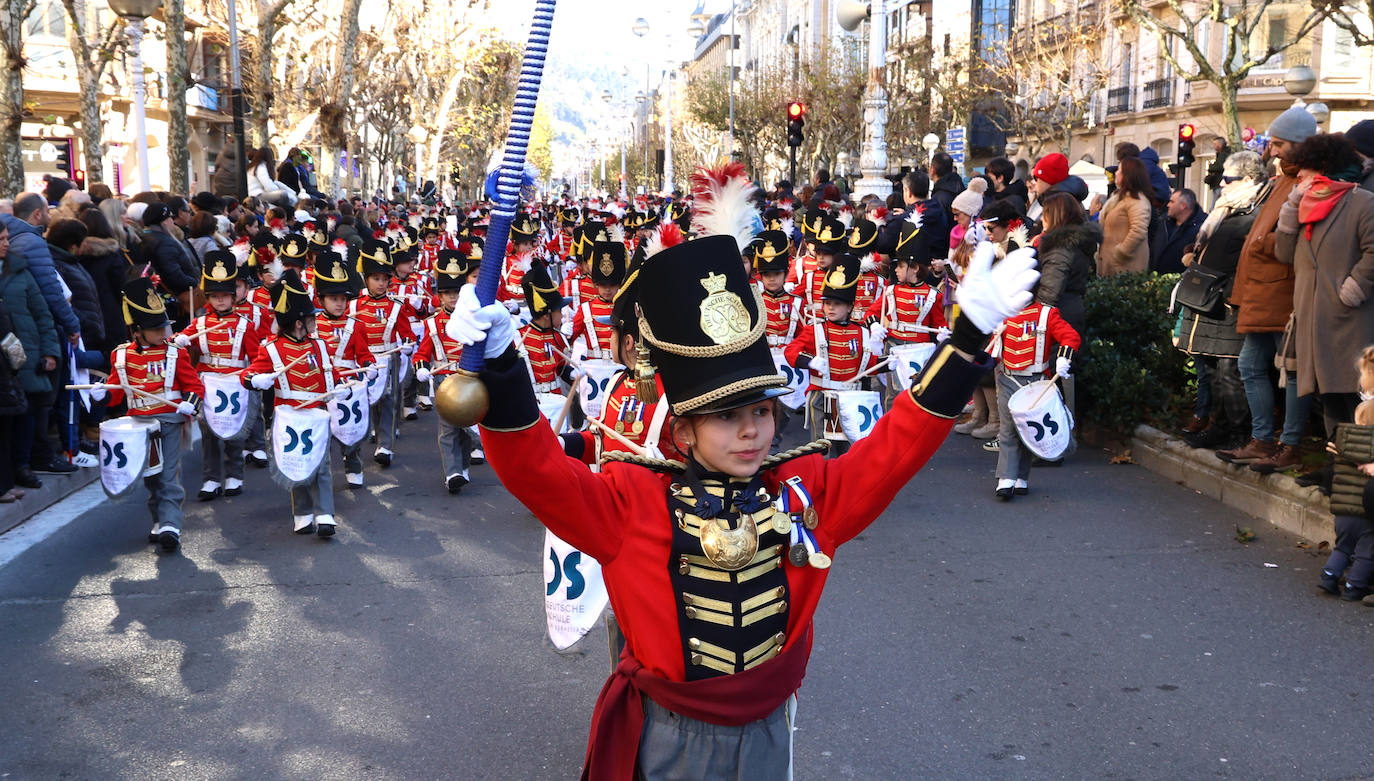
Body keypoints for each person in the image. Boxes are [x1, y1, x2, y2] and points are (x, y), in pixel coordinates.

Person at [444, 164, 1037, 777]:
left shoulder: (807, 495)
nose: (753, 429)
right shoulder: (630, 504)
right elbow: (537, 472)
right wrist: (504, 369)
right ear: (683, 432)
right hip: (670, 741)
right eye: (727, 416)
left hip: (767, 737)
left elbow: (895, 448)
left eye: (761, 408)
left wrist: (965, 341)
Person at [1222, 106, 1318, 468]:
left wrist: (1262, 242)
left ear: (1299, 144)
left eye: (1279, 143)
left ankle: (1288, 446)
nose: (1272, 150)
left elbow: (1297, 240)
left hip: (1285, 292)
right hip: (1265, 290)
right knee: (1251, 364)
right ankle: (1263, 441)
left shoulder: (1308, 181)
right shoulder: (1284, 180)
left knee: (1291, 370)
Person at [92, 279, 205, 552]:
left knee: (167, 475)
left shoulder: (176, 353)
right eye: (156, 329)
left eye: (163, 326)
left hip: (169, 421)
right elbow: (117, 395)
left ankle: (170, 525)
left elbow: (194, 386)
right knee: (152, 477)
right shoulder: (121, 356)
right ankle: (160, 521)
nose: (164, 332)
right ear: (139, 331)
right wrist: (103, 394)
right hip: (139, 425)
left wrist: (191, 403)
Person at [1275, 132, 1374, 442]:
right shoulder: (1306, 206)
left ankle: (1353, 473)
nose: (1299, 175)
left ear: (1324, 168)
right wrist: (1291, 208)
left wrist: (1352, 289)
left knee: (1353, 398)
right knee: (1328, 396)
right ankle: (1335, 465)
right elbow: (1284, 253)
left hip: (1348, 319)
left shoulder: (1363, 202)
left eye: (1306, 168)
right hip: (1313, 316)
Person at [1175, 151, 1269, 453]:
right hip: (1209, 300)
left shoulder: (1255, 212)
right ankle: (1220, 427)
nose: (1222, 185)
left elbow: (1249, 260)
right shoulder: (1227, 210)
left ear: (1249, 179)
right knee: (1213, 369)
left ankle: (1240, 433)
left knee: (1231, 371)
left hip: (1229, 301)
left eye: (1229, 179)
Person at [241, 270, 343, 536]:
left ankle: (325, 515)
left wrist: (342, 387)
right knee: (297, 464)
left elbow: (330, 373)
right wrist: (256, 380)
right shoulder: (271, 348)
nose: (314, 322)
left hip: (317, 413)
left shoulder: (319, 346)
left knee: (321, 465)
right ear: (299, 323)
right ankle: (303, 513)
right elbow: (248, 373)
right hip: (289, 416)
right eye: (311, 318)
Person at [992, 259, 1080, 499]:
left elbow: (1070, 337)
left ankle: (1021, 477)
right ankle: (1006, 477)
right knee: (1008, 429)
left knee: (1026, 431)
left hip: (1037, 381)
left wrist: (1063, 358)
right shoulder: (1002, 314)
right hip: (1007, 377)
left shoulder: (1047, 314)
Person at [174, 252, 258, 501]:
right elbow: (176, 343)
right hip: (208, 383)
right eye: (215, 296)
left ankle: (234, 474)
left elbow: (256, 357)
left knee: (234, 432)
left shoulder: (245, 324)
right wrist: (177, 341)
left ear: (233, 296)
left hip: (234, 383)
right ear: (208, 297)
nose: (220, 300)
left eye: (224, 295)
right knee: (209, 434)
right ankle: (211, 478)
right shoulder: (199, 324)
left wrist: (256, 376)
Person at [1, 219, 64, 490]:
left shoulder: (19, 270)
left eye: (6, 238)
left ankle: (23, 466)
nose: (7, 243)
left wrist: (50, 350)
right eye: (1, 239)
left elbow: (42, 313)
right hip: (1, 361)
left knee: (26, 411)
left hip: (24, 353)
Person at [415, 250, 480, 493]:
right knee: (448, 429)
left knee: (466, 429)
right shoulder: (431, 323)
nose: (452, 297)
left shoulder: (474, 317)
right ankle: (452, 472)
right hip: (445, 381)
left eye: (456, 292)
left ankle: (462, 467)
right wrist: (421, 368)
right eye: (447, 293)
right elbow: (422, 353)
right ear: (440, 295)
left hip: (470, 380)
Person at [350, 239, 418, 468]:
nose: (381, 284)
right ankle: (376, 431)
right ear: (366, 279)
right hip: (363, 361)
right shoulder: (353, 305)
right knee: (370, 400)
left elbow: (407, 333)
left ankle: (385, 445)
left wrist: (408, 343)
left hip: (389, 356)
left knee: (389, 400)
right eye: (376, 279)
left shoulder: (396, 305)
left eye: (384, 279)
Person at [311, 242, 373, 488]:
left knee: (350, 430)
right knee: (323, 430)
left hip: (347, 382)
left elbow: (364, 353)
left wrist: (368, 365)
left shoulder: (356, 324)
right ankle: (321, 467)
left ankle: (353, 462)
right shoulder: (312, 325)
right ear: (321, 299)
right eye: (333, 299)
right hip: (321, 385)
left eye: (343, 299)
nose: (339, 304)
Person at [1034, 191, 1099, 418]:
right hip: (1069, 310)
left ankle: (1057, 435)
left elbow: (1049, 292)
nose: (1041, 218)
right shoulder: (1073, 244)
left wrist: (1034, 317)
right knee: (1062, 373)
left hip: (1058, 316)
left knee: (1055, 376)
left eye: (1045, 214)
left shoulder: (1060, 247)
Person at [1319, 346, 1374, 601]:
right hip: (1366, 512)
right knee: (1366, 551)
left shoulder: (1346, 438)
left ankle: (1329, 576)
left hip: (1343, 508)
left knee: (1342, 546)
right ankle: (1354, 587)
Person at [1, 193, 83, 344]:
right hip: (33, 328)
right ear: (37, 214)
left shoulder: (12, 236)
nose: (50, 217)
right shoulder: (32, 242)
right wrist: (72, 324)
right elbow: (50, 289)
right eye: (47, 212)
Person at [1097, 156, 1154, 276]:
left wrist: (1121, 253)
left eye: (1119, 170)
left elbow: (1138, 230)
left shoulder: (1137, 200)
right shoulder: (1118, 198)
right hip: (1109, 264)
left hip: (1125, 266)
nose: (1116, 173)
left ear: (1128, 175)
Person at [1151, 189, 1206, 274]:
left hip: (1181, 281)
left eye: (1172, 202)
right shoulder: (1164, 222)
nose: (1168, 205)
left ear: (1183, 205)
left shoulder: (1201, 228)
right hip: (1158, 279)